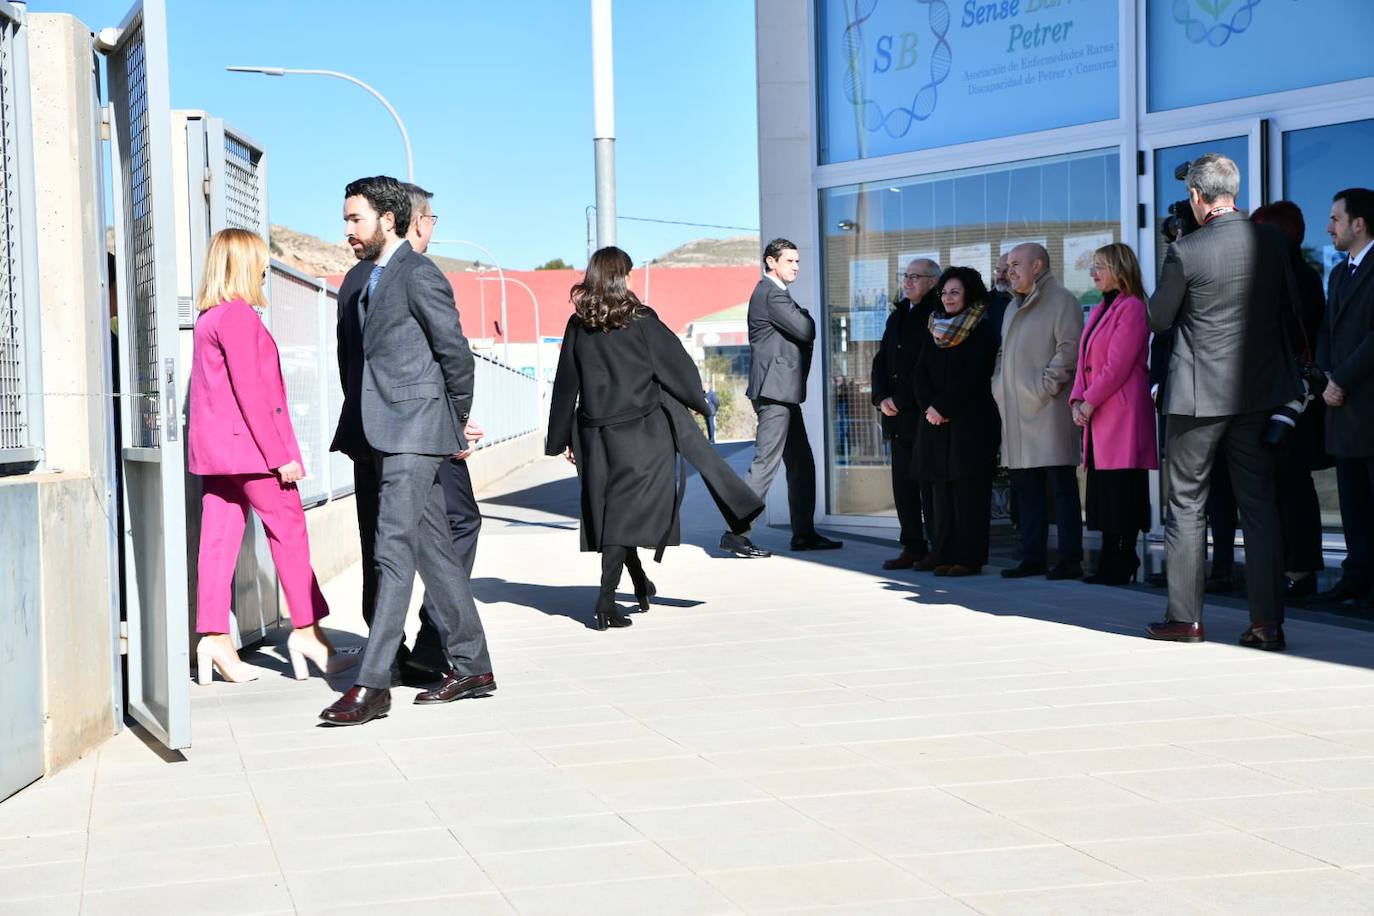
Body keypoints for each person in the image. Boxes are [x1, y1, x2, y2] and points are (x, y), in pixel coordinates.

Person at [321, 176, 494, 726]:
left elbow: (456, 356)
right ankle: (473, 665)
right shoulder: (363, 279)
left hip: (417, 433)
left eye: (355, 219)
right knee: (433, 550)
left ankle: (373, 686)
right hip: (379, 433)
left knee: (392, 548)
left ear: (387, 220)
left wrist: (452, 423)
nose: (347, 229)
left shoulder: (420, 274)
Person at [548, 247, 763, 629]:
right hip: (643, 436)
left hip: (596, 436)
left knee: (614, 511)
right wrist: (698, 403)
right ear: (620, 277)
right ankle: (605, 601)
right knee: (624, 515)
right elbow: (677, 368)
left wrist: (563, 437)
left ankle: (640, 582)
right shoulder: (642, 320)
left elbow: (567, 383)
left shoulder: (578, 323)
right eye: (628, 273)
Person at [1145, 153, 1301, 649]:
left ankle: (1186, 619)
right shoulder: (1274, 242)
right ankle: (1267, 623)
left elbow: (1158, 319)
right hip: (1257, 392)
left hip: (1196, 396)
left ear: (1197, 196)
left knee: (1187, 504)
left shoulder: (1186, 250)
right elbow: (1290, 312)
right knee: (1259, 506)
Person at [187, 228, 349, 684]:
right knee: (290, 533)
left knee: (218, 542)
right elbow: (255, 395)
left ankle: (214, 638)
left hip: (217, 455)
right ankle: (308, 633)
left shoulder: (208, 318)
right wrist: (282, 456)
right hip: (255, 453)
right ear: (242, 265)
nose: (263, 269)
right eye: (259, 261)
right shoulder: (238, 317)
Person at [720, 238, 841, 557]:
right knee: (766, 463)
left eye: (798, 262)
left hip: (782, 392)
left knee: (801, 463)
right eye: (790, 261)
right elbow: (805, 329)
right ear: (771, 262)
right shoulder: (771, 293)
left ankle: (804, 534)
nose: (796, 267)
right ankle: (736, 531)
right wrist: (807, 316)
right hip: (775, 393)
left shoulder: (776, 295)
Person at [993, 242, 1084, 580]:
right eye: (1008, 265)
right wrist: (999, 387)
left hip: (1048, 409)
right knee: (1026, 488)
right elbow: (1003, 354)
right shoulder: (1012, 307)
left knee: (1060, 487)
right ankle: (1032, 557)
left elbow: (1069, 350)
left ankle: (1069, 558)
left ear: (1038, 266)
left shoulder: (1062, 301)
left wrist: (1044, 387)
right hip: (1016, 412)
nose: (1009, 270)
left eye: (1017, 263)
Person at [1253, 201, 1329, 599]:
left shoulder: (1298, 277)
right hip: (1275, 394)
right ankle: (1287, 566)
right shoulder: (1282, 275)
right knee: (1279, 486)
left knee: (1292, 484)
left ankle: (1300, 570)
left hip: (1291, 399)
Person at [1069, 243, 1156, 586]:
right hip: (1099, 412)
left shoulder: (1132, 307)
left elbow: (1117, 365)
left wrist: (1088, 401)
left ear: (1119, 269)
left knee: (1122, 491)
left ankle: (1123, 559)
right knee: (1105, 492)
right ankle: (1109, 559)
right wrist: (1077, 399)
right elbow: (1085, 360)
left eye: (1100, 266)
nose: (1093, 273)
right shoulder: (1103, 308)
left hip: (1121, 413)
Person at [911, 267, 1001, 576]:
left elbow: (974, 376)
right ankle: (942, 553)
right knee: (940, 494)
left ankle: (968, 558)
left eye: (955, 292)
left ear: (969, 295)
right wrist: (930, 408)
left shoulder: (983, 329)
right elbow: (919, 373)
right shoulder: (934, 327)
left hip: (969, 423)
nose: (948, 298)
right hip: (934, 422)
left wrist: (944, 406)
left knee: (968, 494)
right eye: (945, 292)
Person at [1318, 187, 1374, 605]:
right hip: (1341, 406)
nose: (1329, 227)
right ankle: (1356, 576)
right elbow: (1327, 332)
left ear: (1359, 223)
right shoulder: (1339, 272)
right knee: (1353, 502)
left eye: (1336, 219)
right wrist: (1325, 378)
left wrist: (1343, 380)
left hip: (1367, 402)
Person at [871, 257, 941, 570]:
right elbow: (881, 359)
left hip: (921, 415)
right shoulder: (899, 313)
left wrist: (901, 399)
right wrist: (881, 396)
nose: (908, 281)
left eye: (916, 276)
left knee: (928, 486)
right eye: (906, 276)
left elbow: (924, 365)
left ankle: (936, 548)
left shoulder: (936, 314)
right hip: (895, 415)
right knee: (903, 486)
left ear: (932, 282)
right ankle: (912, 545)